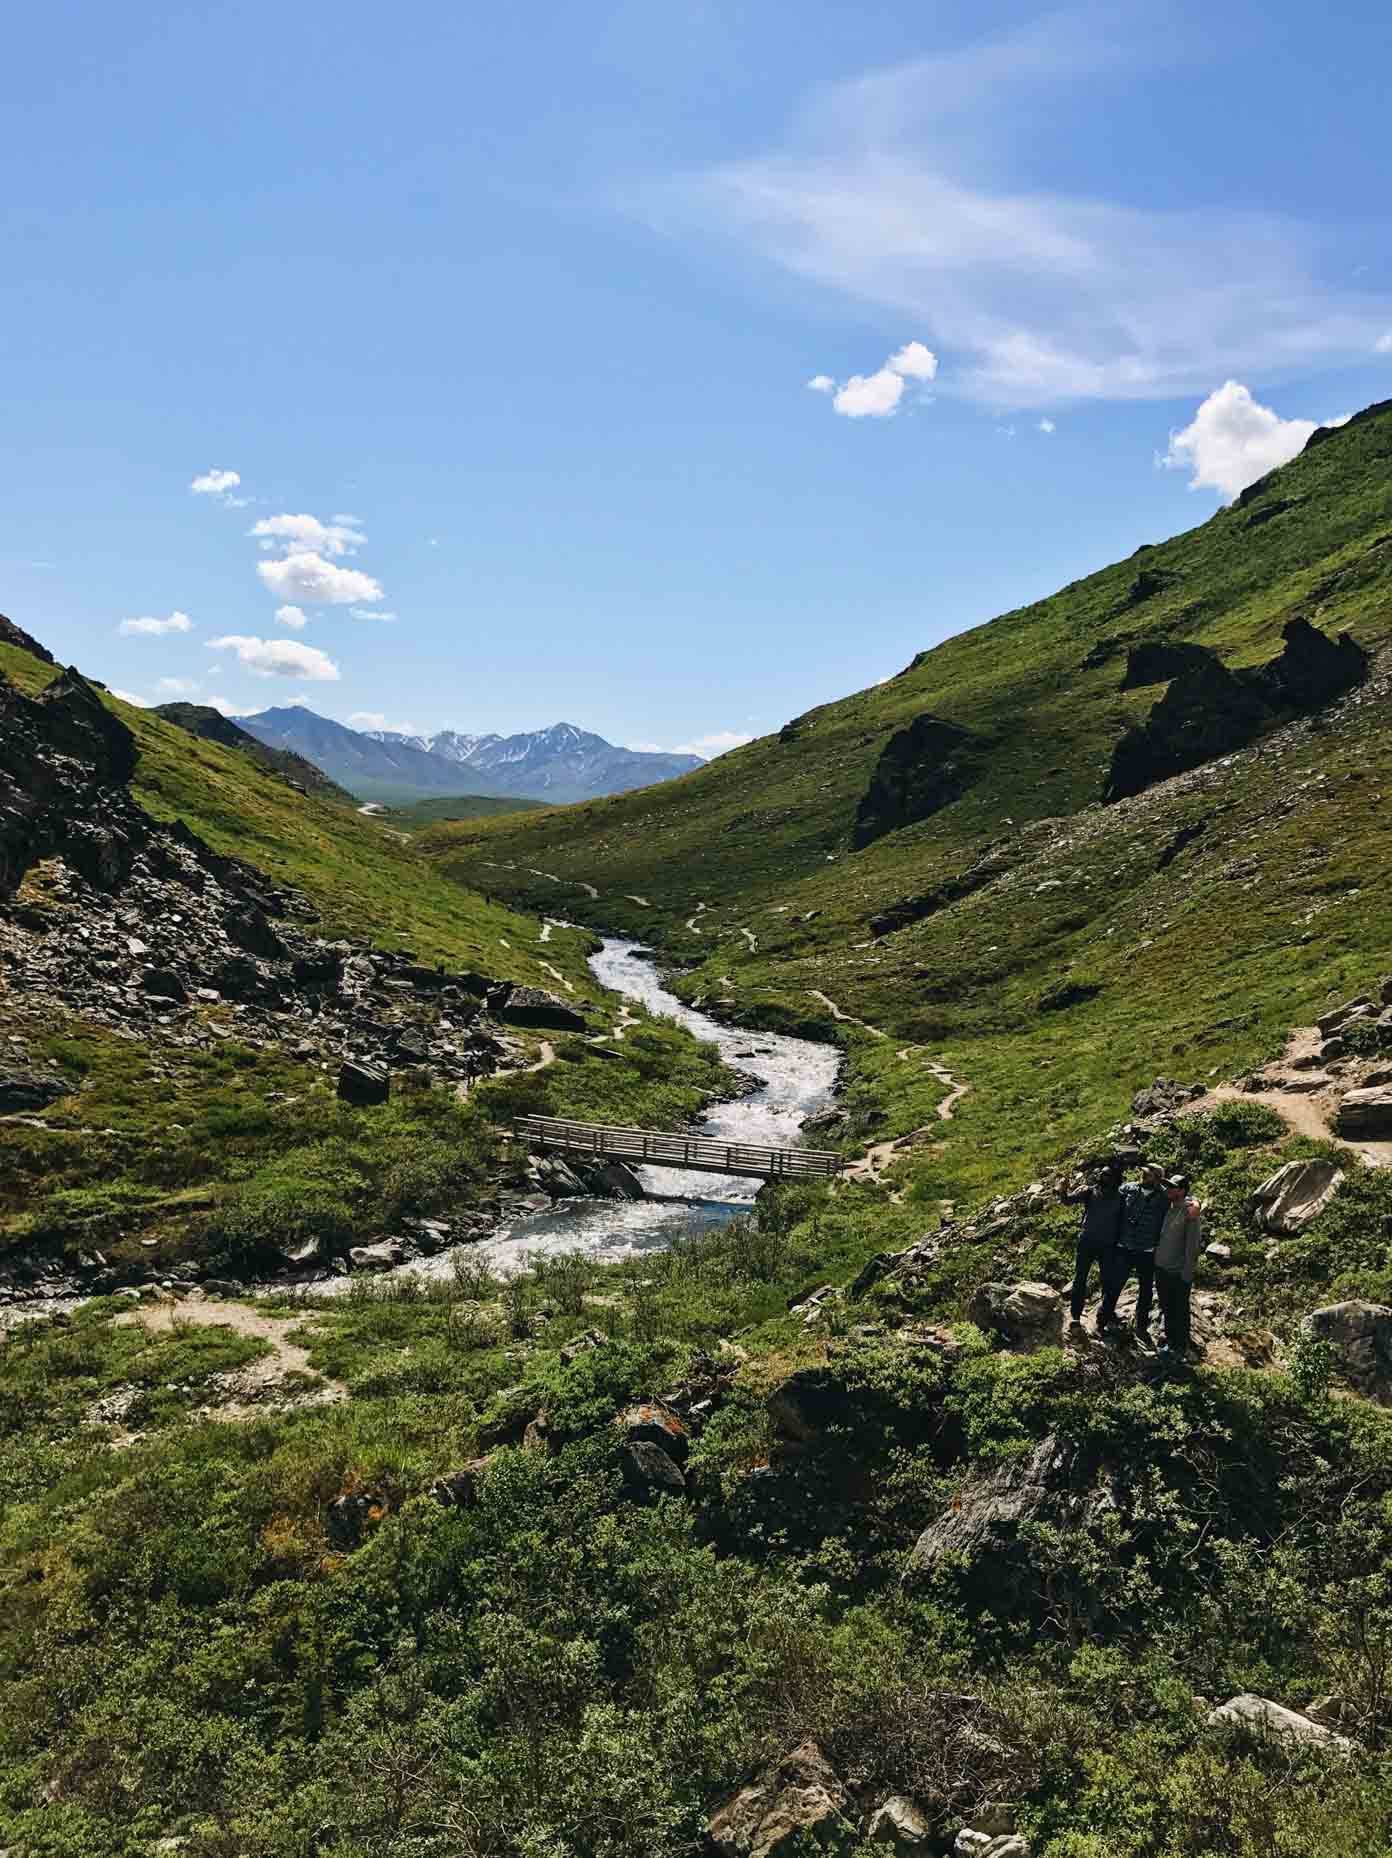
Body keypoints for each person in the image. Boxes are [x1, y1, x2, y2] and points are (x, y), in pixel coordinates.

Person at [1099, 1162, 1169, 1341]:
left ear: (1157, 1178)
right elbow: (1109, 1194)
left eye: (1148, 1175)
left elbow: (1185, 1200)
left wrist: (1196, 1204)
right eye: (1143, 1173)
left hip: (1147, 1250)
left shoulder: (1164, 1196)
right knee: (1114, 1286)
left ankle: (1141, 1327)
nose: (1143, 1176)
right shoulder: (1128, 1189)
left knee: (1145, 1291)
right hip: (1125, 1247)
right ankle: (1102, 1321)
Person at [1058, 1163, 1124, 1330]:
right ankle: (1075, 1316)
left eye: (1106, 1175)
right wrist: (1062, 1189)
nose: (1102, 1177)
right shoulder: (1090, 1191)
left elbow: (1122, 1223)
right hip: (1087, 1242)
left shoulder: (1121, 1197)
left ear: (1115, 1179)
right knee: (1080, 1279)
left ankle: (1105, 1316)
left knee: (1107, 1282)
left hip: (1108, 1246)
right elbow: (1067, 1201)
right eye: (1102, 1174)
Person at [1154, 1173, 1203, 1360]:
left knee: (1180, 1311)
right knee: (1166, 1308)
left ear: (1182, 1191)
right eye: (1168, 1186)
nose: (1168, 1189)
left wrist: (1187, 1273)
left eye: (1172, 1187)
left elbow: (1193, 1245)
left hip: (1177, 1272)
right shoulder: (1170, 1206)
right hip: (1162, 1269)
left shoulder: (1189, 1212)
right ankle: (1170, 1343)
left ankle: (1180, 1347)